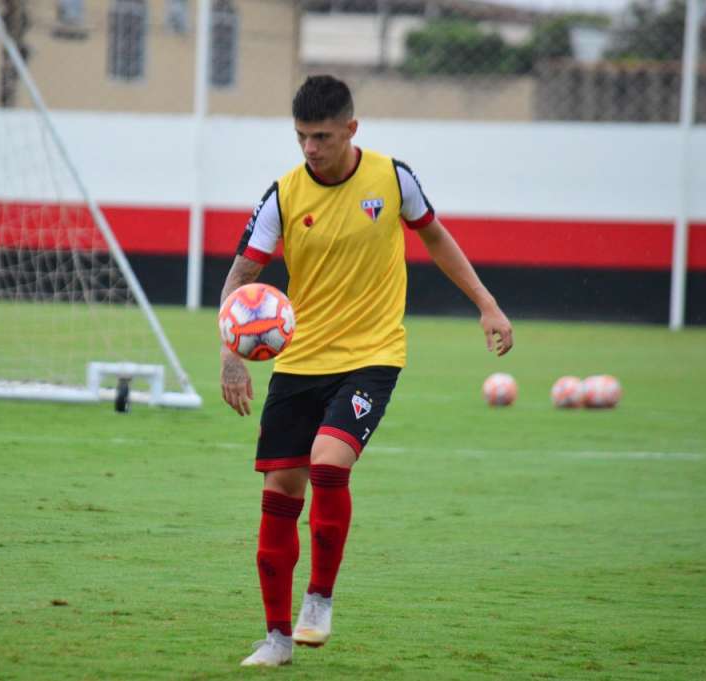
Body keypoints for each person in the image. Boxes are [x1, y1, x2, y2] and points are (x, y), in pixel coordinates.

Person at [220, 75, 514, 667]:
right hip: (300, 362)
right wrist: (231, 355)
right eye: (302, 136)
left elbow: (436, 238)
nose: (310, 148)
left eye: (322, 136)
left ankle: (320, 599)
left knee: (330, 461)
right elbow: (240, 279)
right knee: (280, 491)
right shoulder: (283, 194)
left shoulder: (392, 177)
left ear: (351, 129)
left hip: (372, 356)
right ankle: (276, 639)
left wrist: (487, 304)